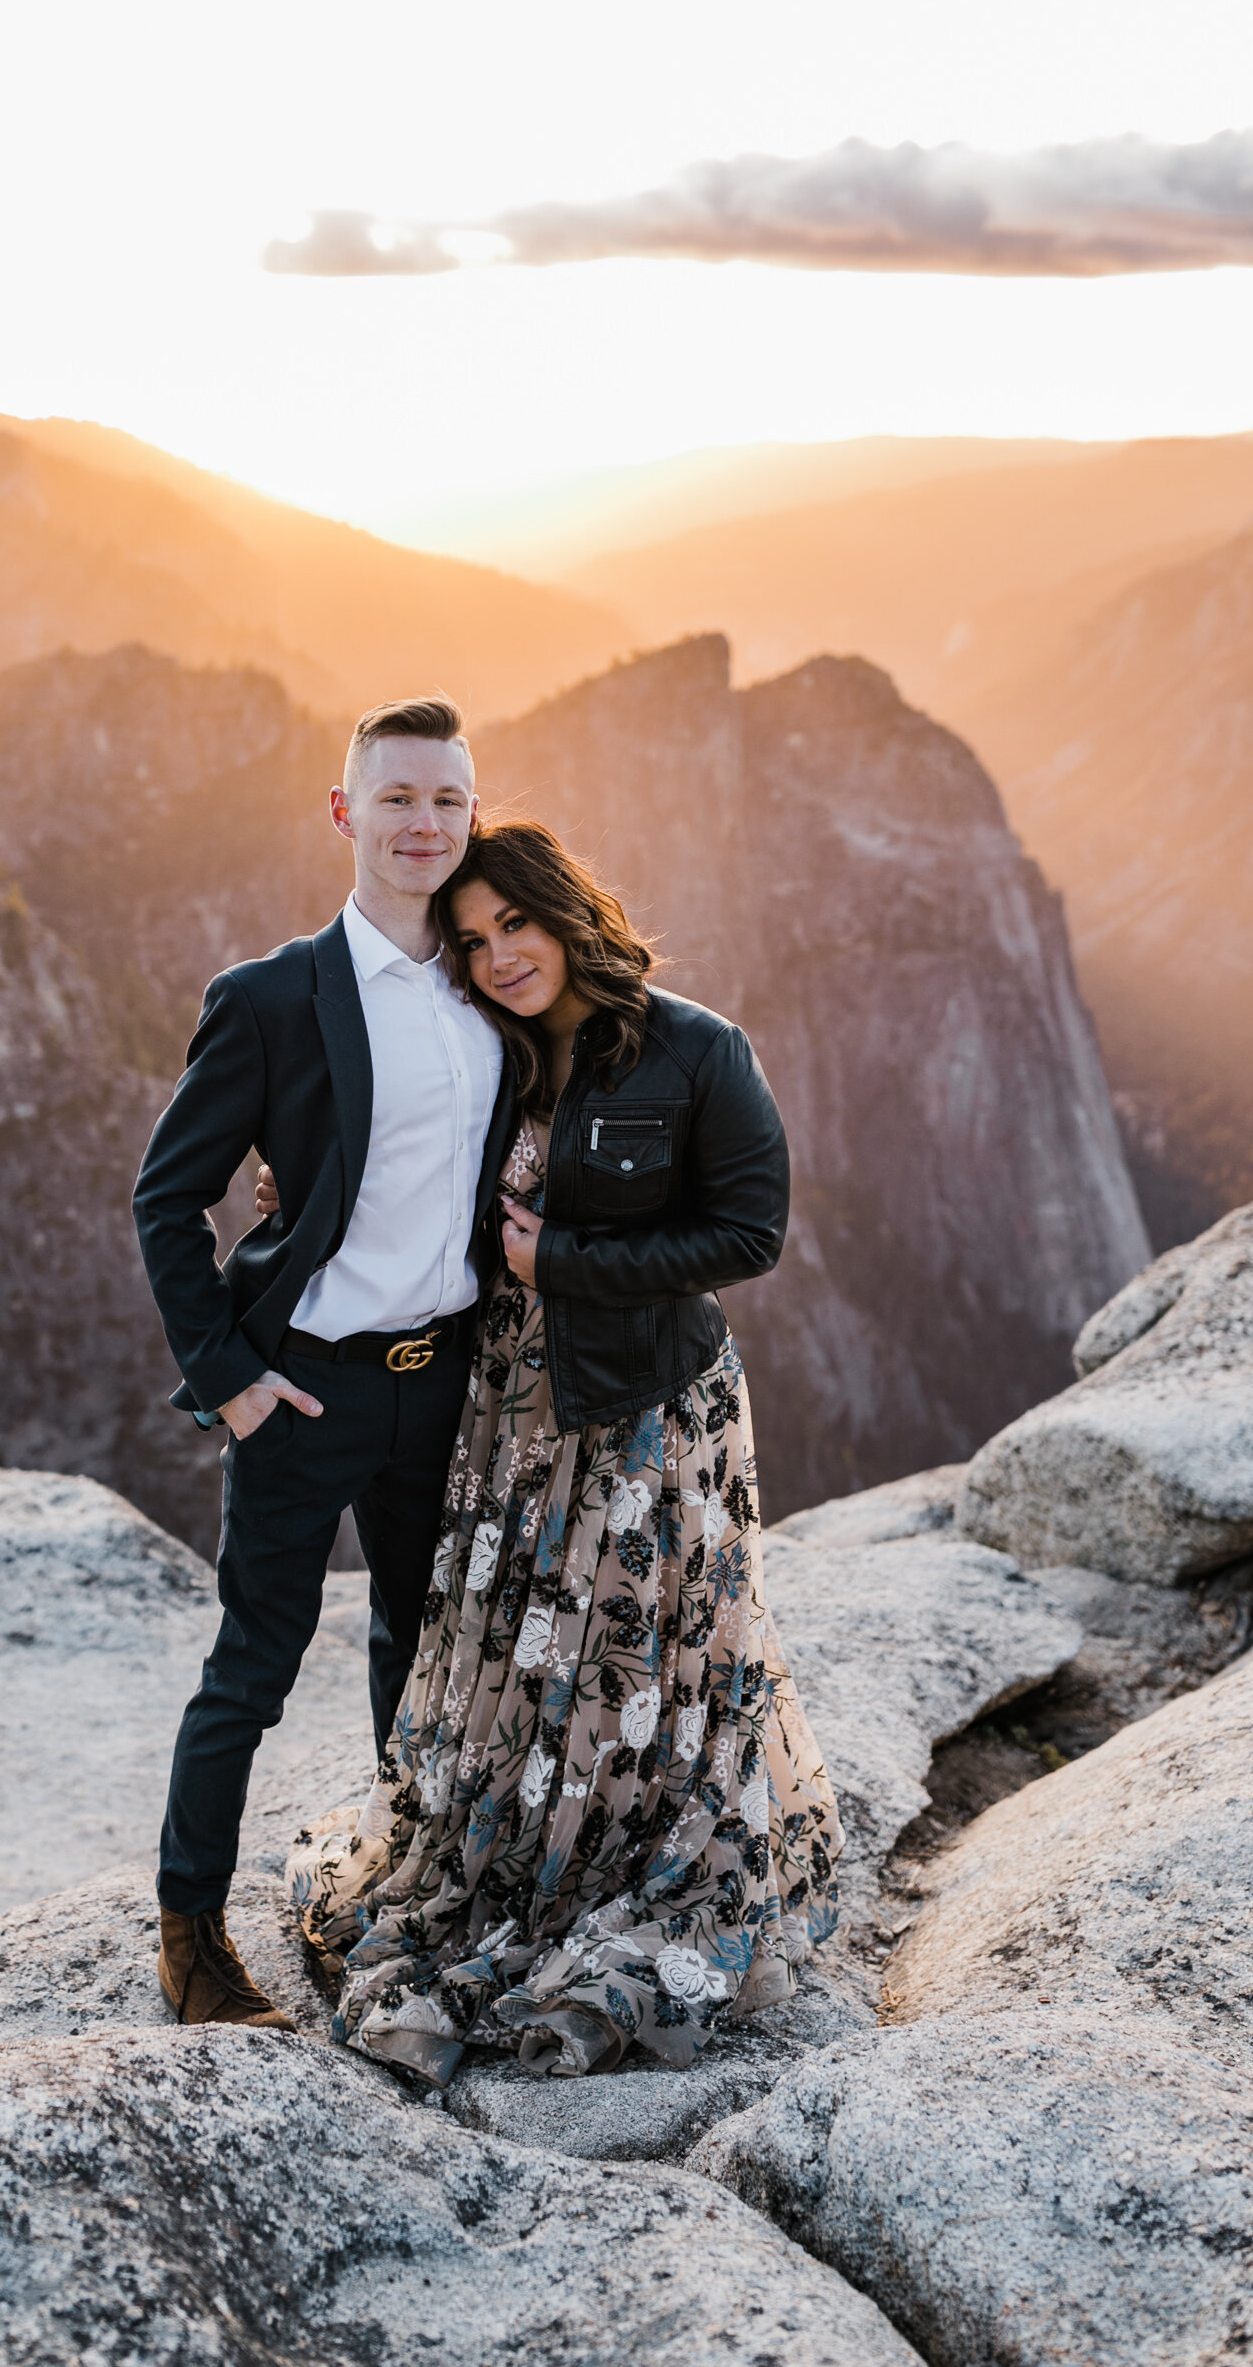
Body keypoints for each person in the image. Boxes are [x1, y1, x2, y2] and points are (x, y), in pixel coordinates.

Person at [283, 818, 842, 2083]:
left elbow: (748, 1234)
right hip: (508, 1409)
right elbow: (400, 1169)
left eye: (513, 924)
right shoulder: (488, 1056)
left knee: (636, 1652)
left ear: (565, 910)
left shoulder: (696, 1048)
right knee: (524, 1644)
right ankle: (519, 1853)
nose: (495, 957)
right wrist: (299, 1180)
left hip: (649, 1413)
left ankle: (629, 1860)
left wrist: (564, 1263)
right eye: (471, 941)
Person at [133, 697, 515, 2031]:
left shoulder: (489, 987)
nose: (423, 824)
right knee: (254, 1660)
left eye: (447, 801)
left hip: (445, 1383)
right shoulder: (271, 998)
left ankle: (400, 1894)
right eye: (397, 798)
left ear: (473, 818)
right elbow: (164, 1199)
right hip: (304, 1384)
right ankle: (191, 1942)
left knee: (423, 1652)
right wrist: (228, 1376)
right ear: (344, 813)